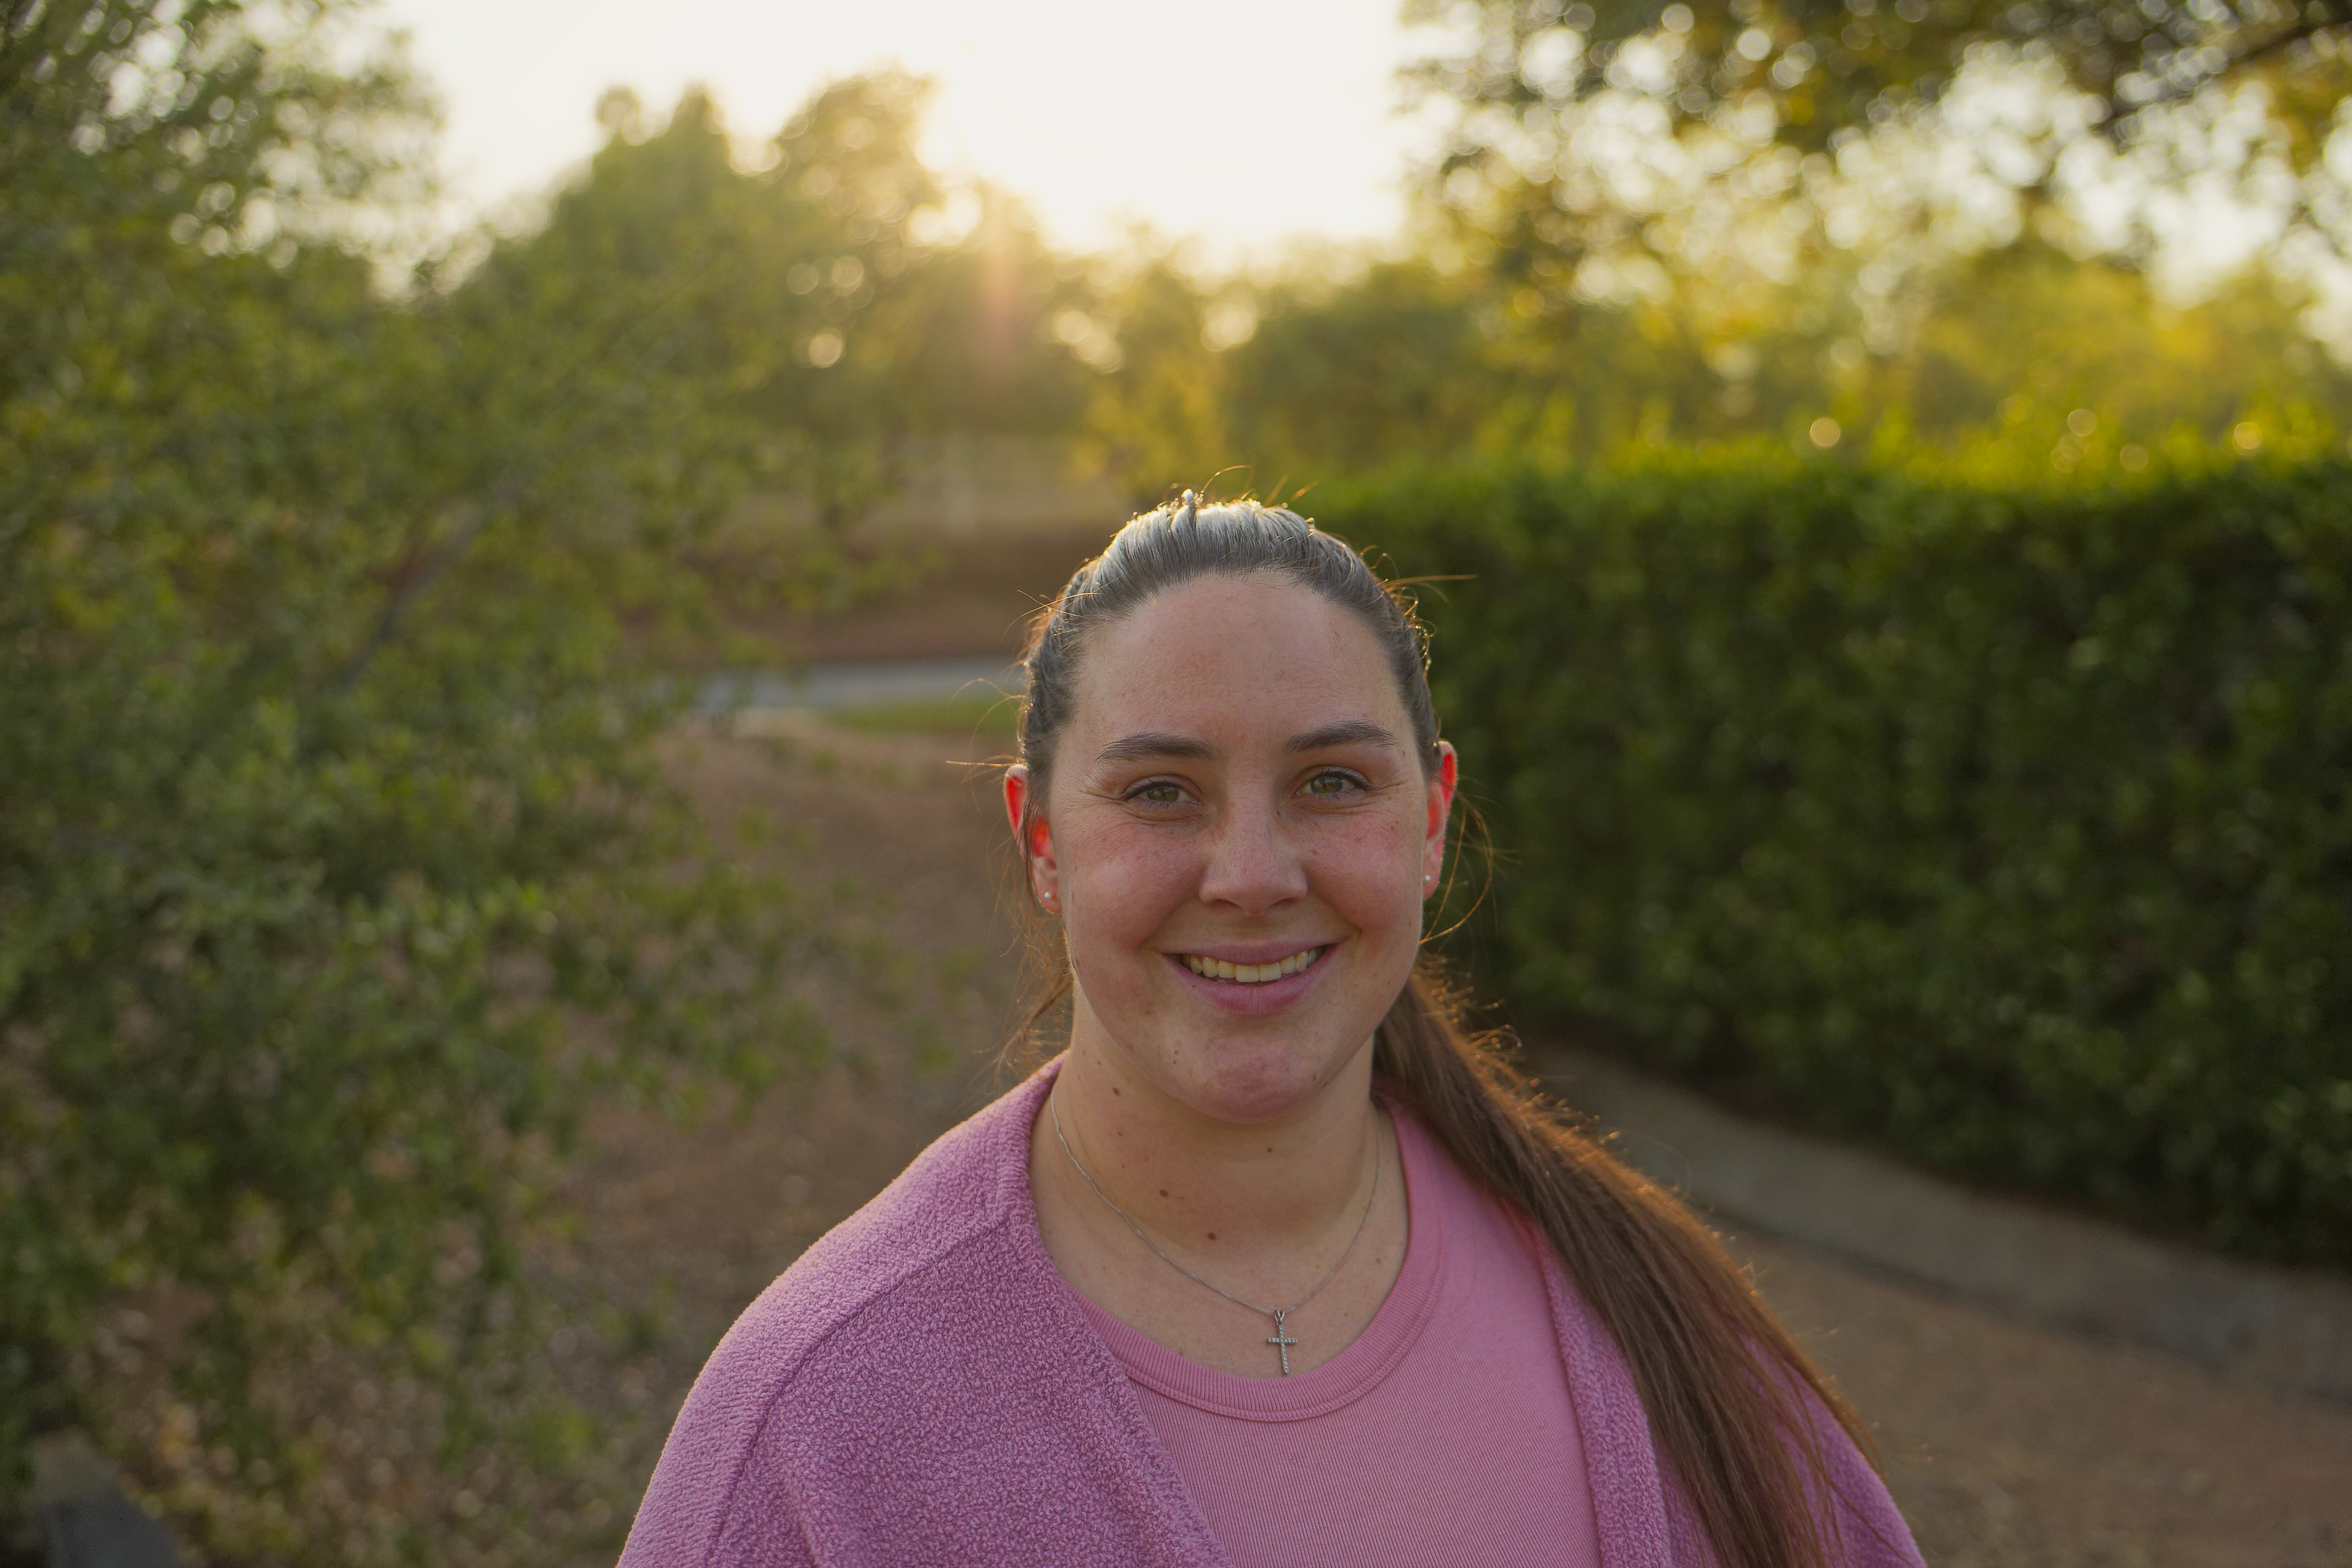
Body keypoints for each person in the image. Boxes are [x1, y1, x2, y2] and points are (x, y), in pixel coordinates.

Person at [619, 497, 1925, 1568]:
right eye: (1161, 792)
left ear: (1430, 823)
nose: (1251, 873)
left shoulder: (1658, 1319)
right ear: (1042, 842)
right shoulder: (822, 1419)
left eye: (1332, 782)